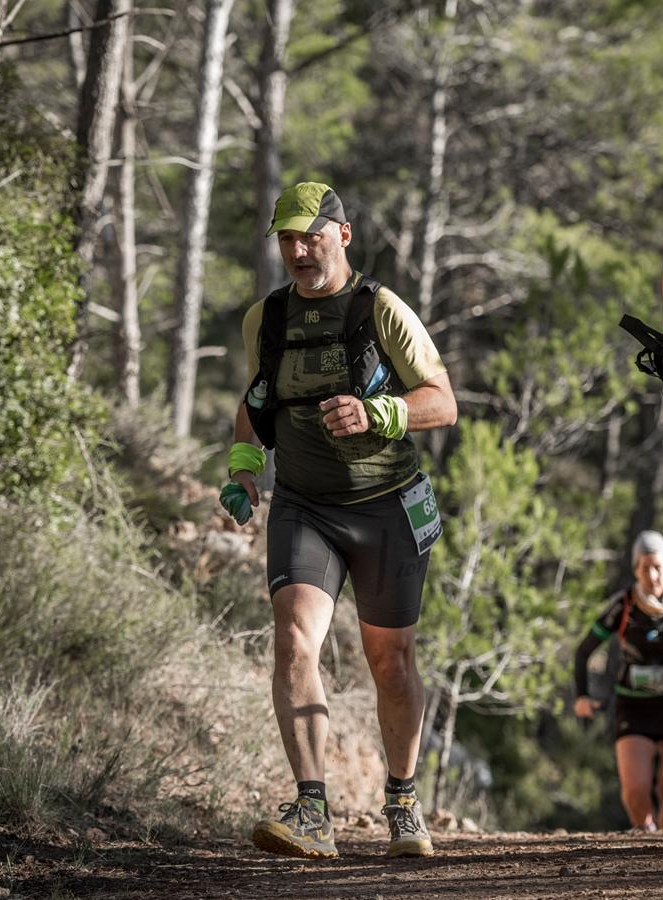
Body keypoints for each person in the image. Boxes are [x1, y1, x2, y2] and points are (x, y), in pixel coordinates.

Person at [220, 181, 457, 860]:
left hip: (386, 506)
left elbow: (443, 403)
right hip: (305, 505)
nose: (298, 250)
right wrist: (242, 468)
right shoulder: (264, 318)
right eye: (287, 239)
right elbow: (254, 402)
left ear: (342, 234)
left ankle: (404, 802)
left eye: (310, 236)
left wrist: (380, 412)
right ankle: (312, 809)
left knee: (391, 660)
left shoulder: (382, 310)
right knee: (295, 640)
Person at [574, 530, 663, 831]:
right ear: (635, 570)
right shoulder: (624, 604)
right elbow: (583, 651)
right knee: (635, 791)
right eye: (645, 568)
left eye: (658, 567)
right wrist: (581, 695)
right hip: (634, 704)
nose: (652, 575)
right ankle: (646, 838)